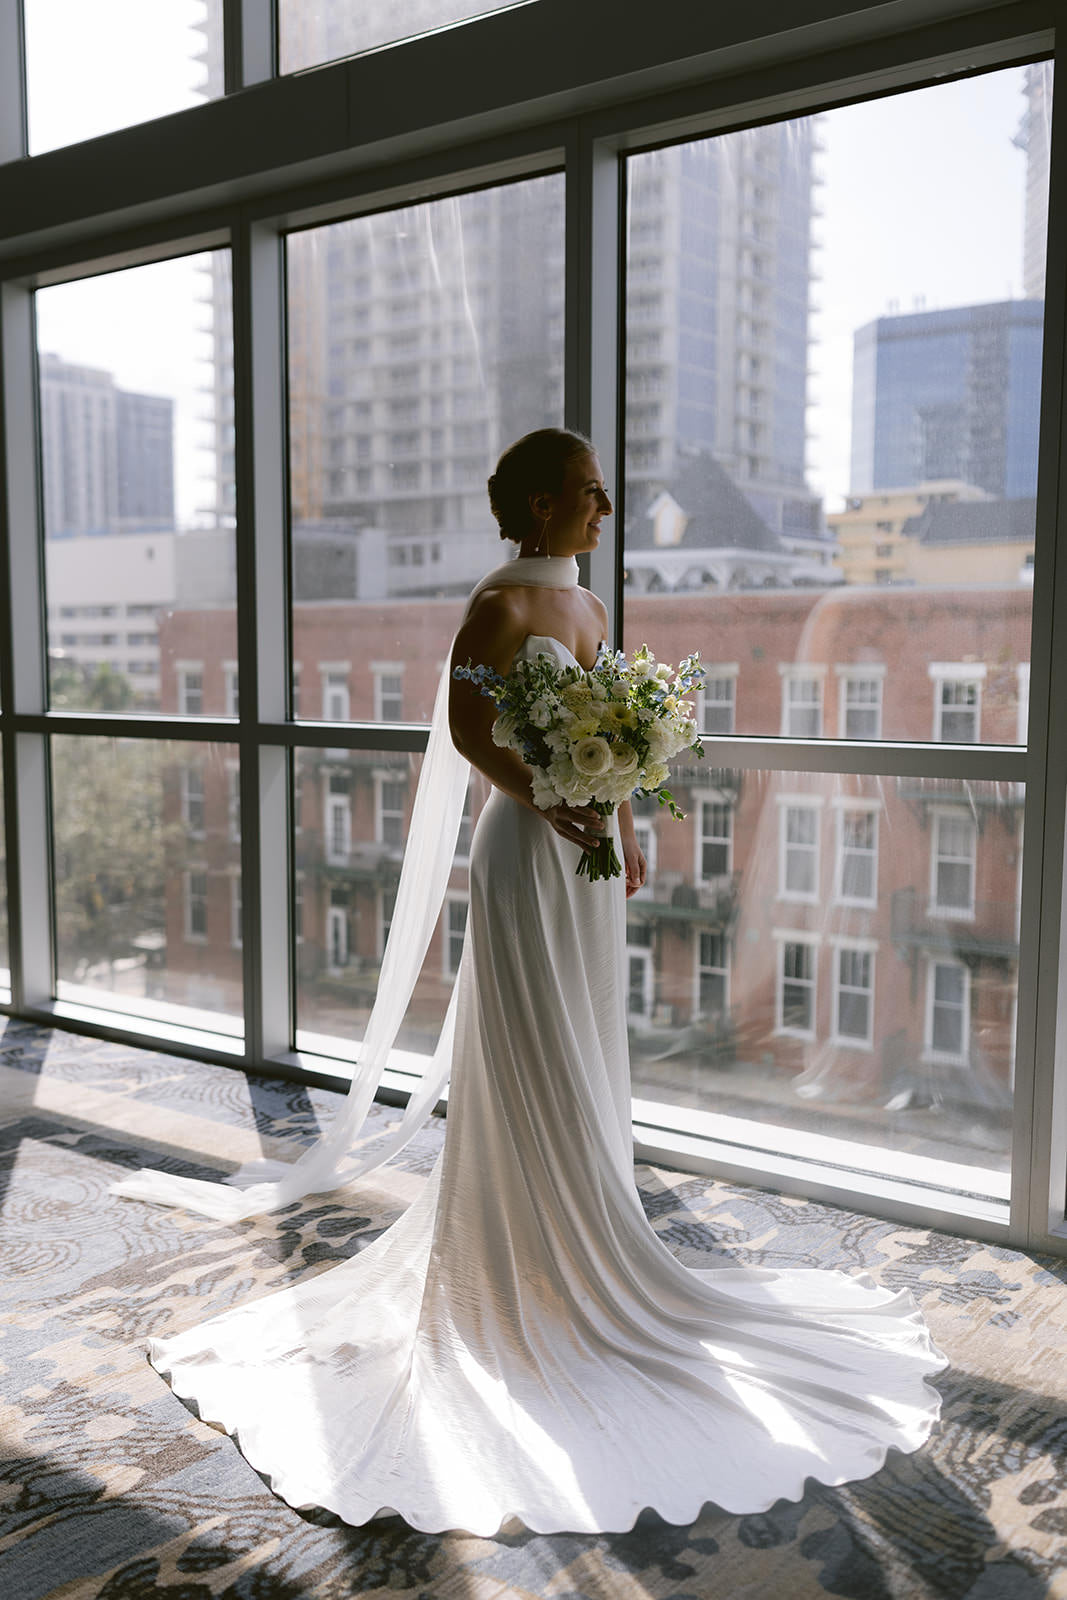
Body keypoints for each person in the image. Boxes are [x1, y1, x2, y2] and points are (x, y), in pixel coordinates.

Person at [114, 428, 946, 1537]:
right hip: (521, 850)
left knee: (585, 1035)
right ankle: (521, 1254)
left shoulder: (590, 612)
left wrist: (621, 809)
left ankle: (592, 1214)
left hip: (584, 851)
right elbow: (467, 729)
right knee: (531, 1042)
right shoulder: (495, 611)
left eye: (608, 495)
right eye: (595, 496)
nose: (607, 512)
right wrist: (547, 792)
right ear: (546, 503)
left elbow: (613, 720)